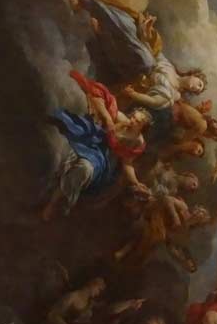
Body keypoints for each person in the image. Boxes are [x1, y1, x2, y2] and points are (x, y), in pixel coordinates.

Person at [42, 71, 152, 221]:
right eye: (133, 117)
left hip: (103, 157)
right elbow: (98, 98)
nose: (132, 121)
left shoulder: (137, 142)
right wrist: (108, 118)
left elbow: (127, 163)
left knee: (83, 169)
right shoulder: (122, 119)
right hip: (94, 138)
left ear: (142, 128)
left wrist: (136, 183)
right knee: (68, 122)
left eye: (137, 122)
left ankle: (55, 204)